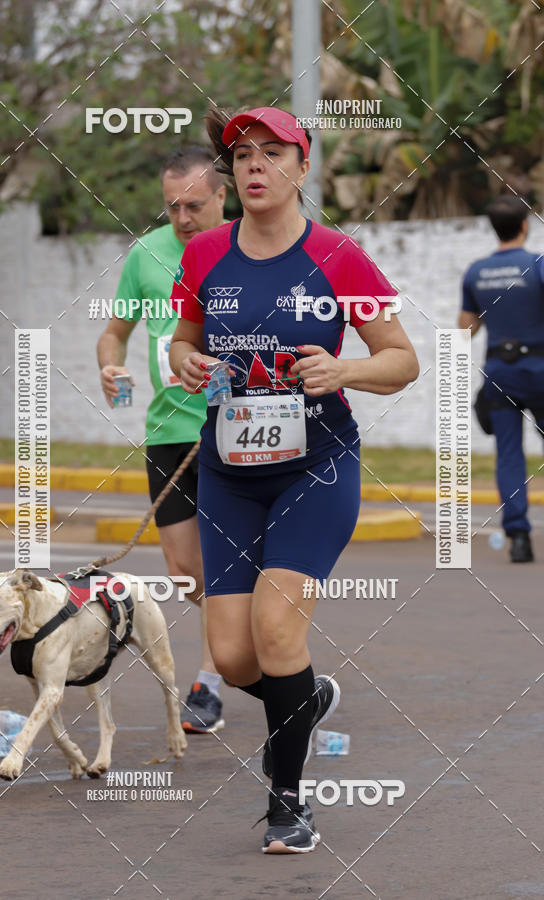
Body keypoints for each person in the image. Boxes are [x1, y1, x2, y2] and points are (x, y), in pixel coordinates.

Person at [169, 106, 419, 853]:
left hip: (317, 465)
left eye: (273, 153)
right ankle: (305, 696)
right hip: (228, 472)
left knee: (277, 632)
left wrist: (347, 368)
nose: (254, 166)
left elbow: (402, 358)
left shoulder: (340, 255)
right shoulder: (205, 253)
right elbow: (183, 339)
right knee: (237, 656)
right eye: (242, 154)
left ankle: (288, 802)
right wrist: (184, 360)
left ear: (302, 168)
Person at [97, 146, 228, 733]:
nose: (182, 218)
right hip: (167, 431)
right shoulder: (147, 254)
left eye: (194, 205)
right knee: (183, 570)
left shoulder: (242, 249)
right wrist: (110, 366)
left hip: (232, 430)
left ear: (221, 196)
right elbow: (115, 330)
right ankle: (246, 631)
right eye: (172, 206)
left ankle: (211, 682)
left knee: (228, 560)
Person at [459, 195, 544, 563]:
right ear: (524, 226)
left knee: (509, 455)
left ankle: (519, 539)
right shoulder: (537, 264)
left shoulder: (476, 272)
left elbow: (467, 328)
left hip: (499, 374)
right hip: (540, 370)